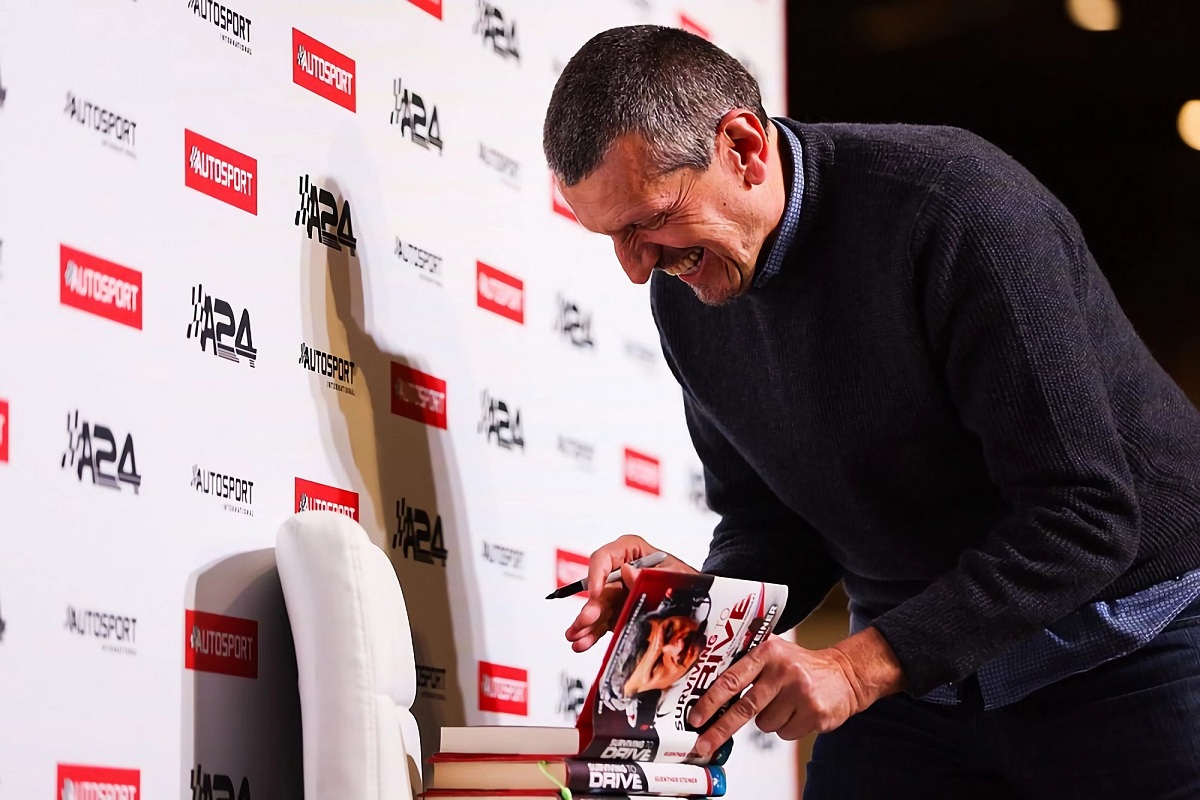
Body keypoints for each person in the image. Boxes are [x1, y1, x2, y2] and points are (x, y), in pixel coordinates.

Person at [542, 24, 1200, 799]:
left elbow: (1084, 516)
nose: (634, 268)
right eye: (612, 238)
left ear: (744, 148)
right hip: (920, 675)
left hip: (1127, 644)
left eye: (647, 221)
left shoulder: (958, 209)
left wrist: (856, 668)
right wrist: (694, 605)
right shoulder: (689, 294)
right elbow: (775, 527)